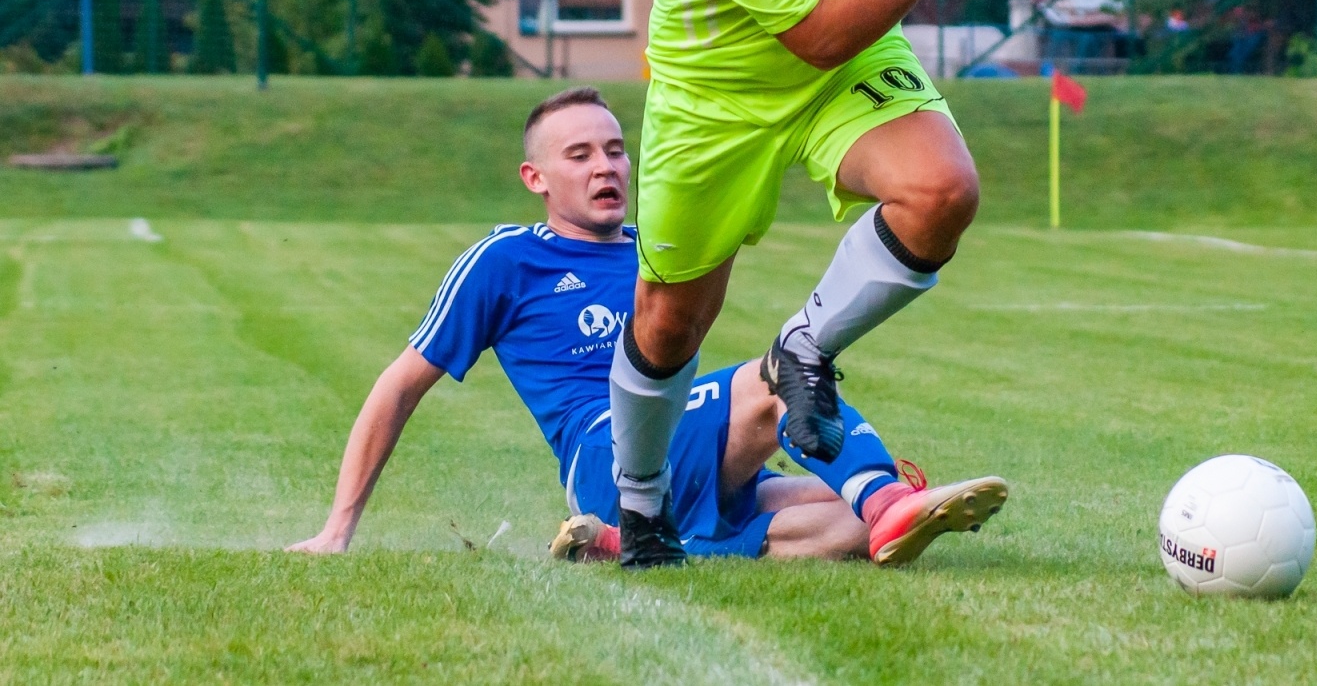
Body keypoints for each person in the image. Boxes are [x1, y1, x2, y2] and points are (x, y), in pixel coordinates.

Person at [609, 0, 1043, 566]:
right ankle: (643, 510)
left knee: (941, 190)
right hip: (718, 89)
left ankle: (801, 349)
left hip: (848, 51)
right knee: (668, 318)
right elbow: (811, 33)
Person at [286, 88, 1008, 565]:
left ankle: (627, 546)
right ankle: (887, 502)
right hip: (606, 462)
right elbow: (399, 386)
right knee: (782, 373)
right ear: (536, 179)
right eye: (580, 155)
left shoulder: (659, 246)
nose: (606, 166)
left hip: (687, 452)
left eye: (614, 149)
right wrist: (337, 528)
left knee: (845, 519)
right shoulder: (505, 260)